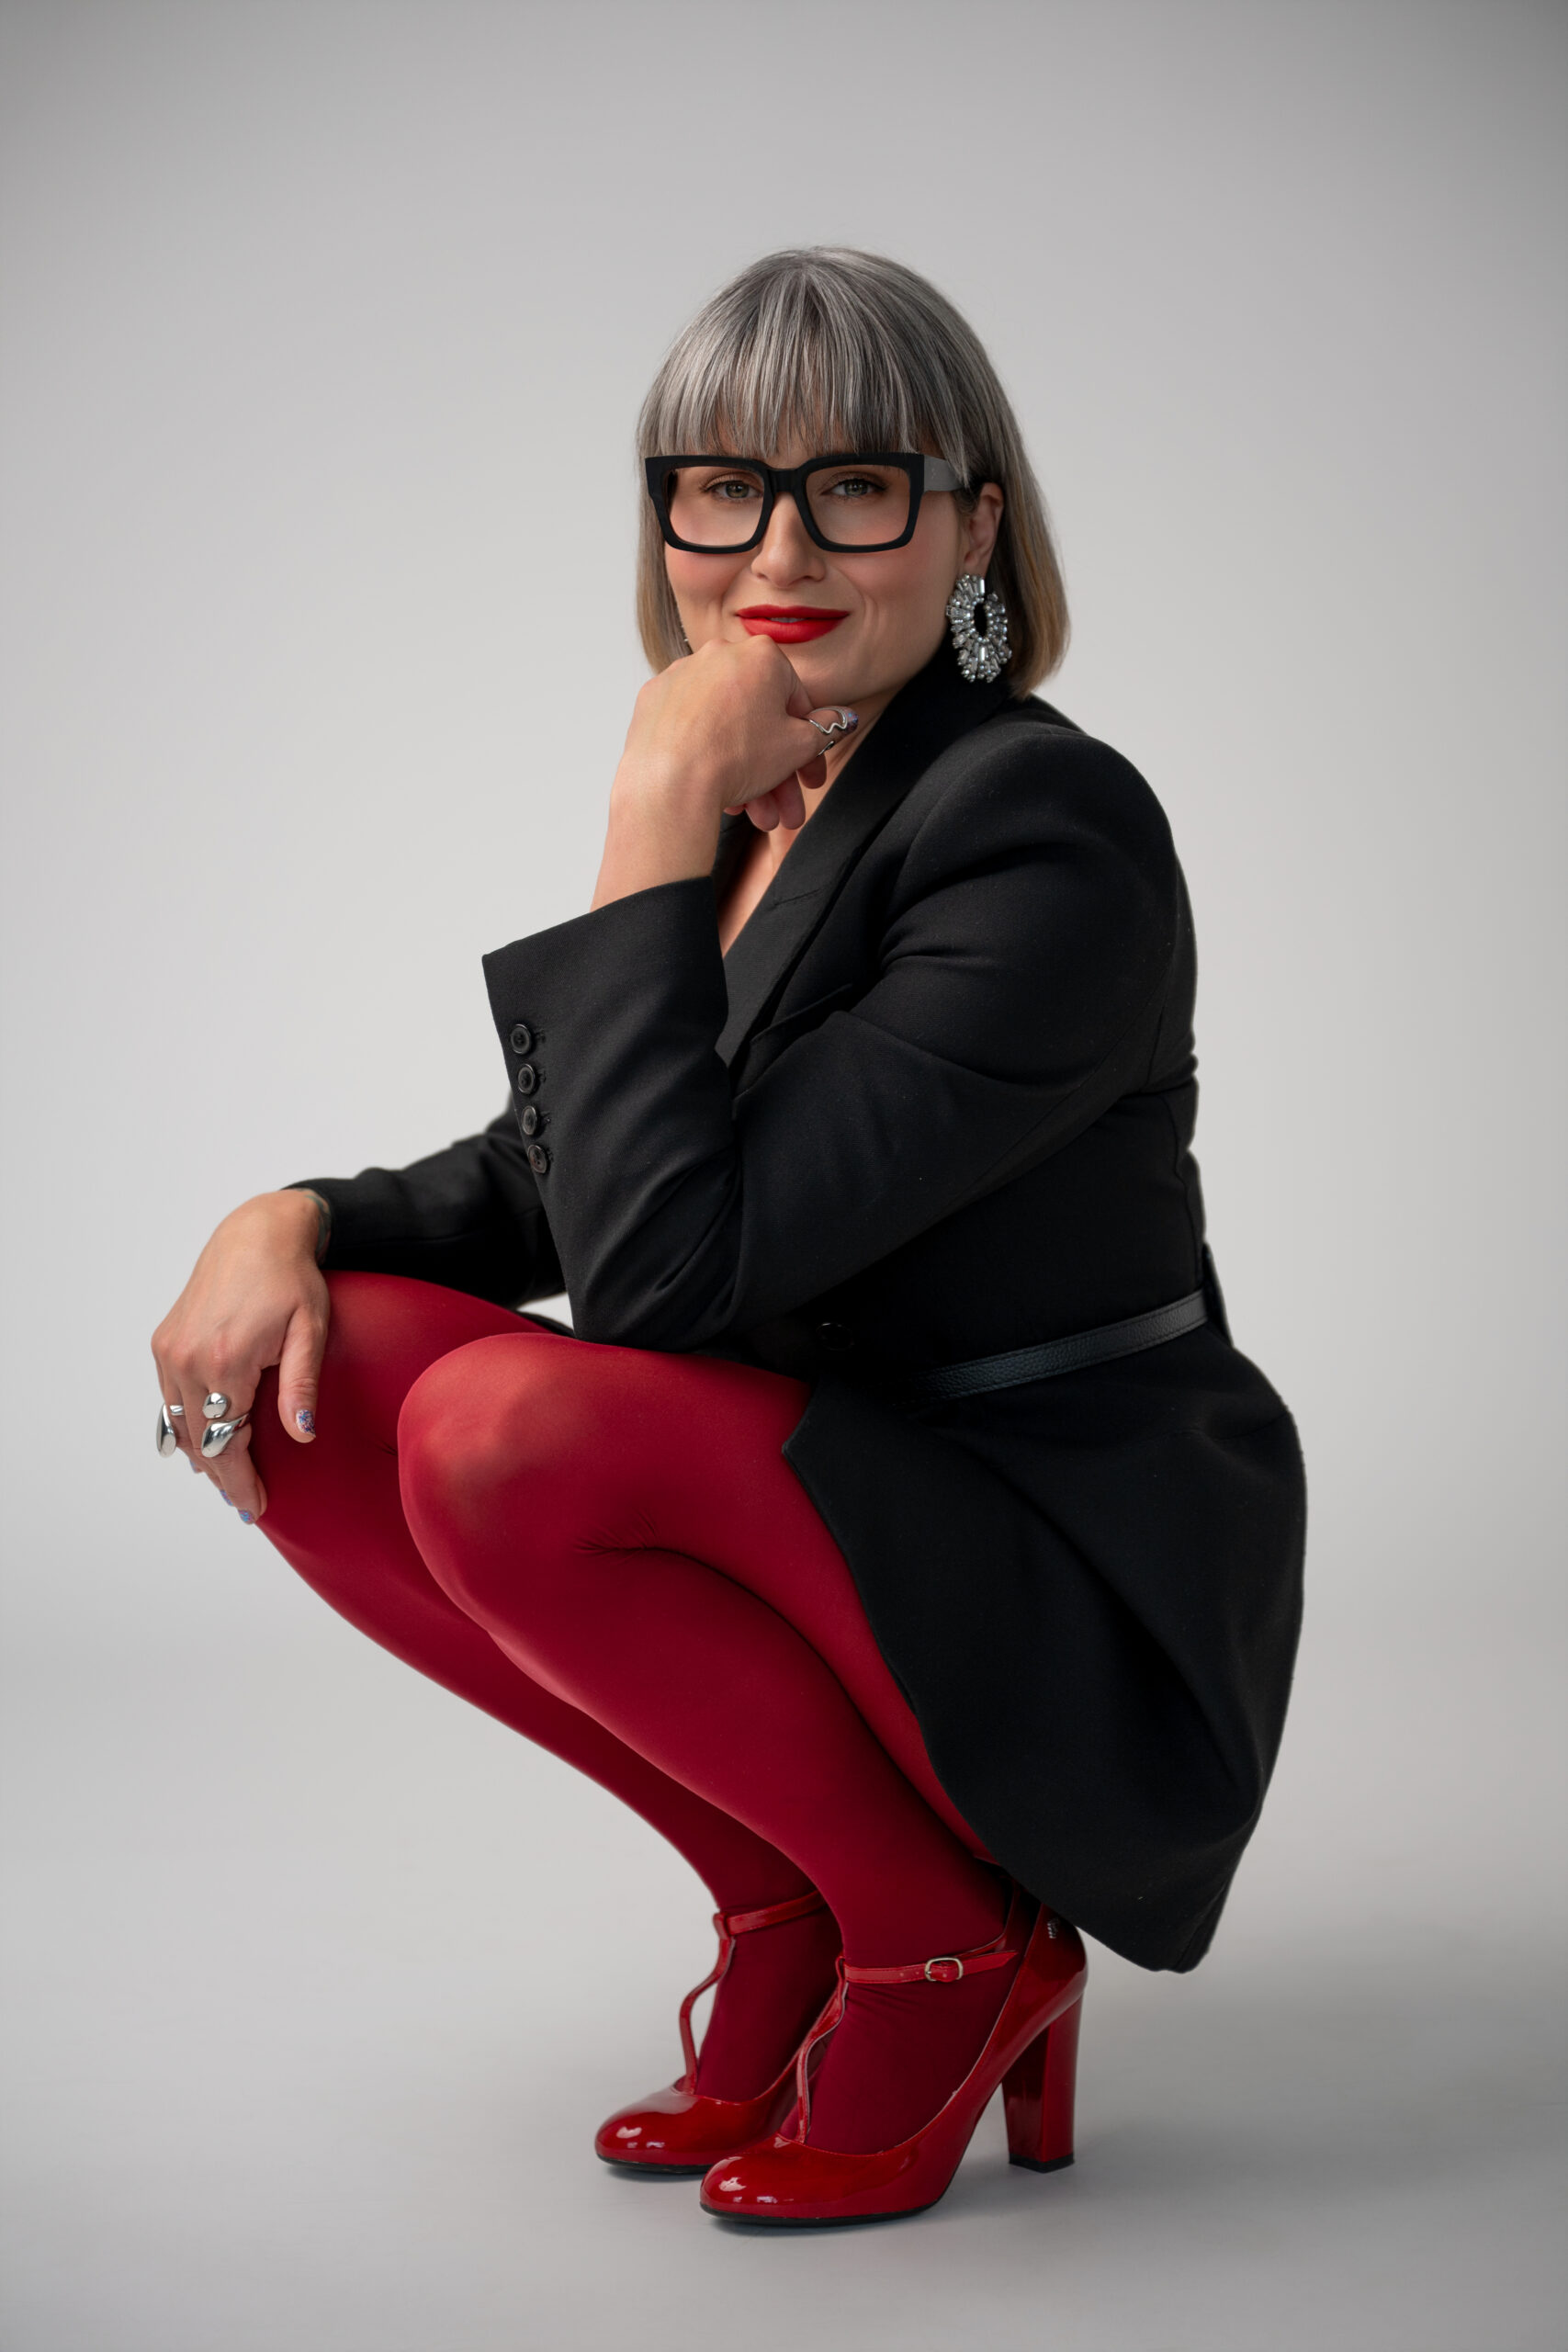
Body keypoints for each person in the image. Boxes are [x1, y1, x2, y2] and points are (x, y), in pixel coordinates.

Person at [151, 247, 1305, 2230]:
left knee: (509, 1426)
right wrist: (288, 1220)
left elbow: (661, 1284)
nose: (776, 548)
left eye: (852, 485)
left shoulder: (1044, 826)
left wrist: (652, 805)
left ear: (970, 526)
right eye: (719, 487)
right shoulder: (788, 809)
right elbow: (571, 1181)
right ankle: (793, 1897)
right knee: (327, 1370)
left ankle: (949, 1943)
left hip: (1051, 1569)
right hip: (841, 1499)